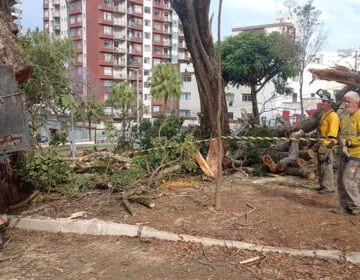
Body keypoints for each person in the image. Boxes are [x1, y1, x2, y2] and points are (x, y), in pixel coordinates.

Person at [332, 91, 360, 215]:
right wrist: (337, 141)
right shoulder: (345, 119)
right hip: (344, 155)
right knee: (340, 182)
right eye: (345, 101)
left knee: (348, 180)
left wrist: (348, 143)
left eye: (348, 101)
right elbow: (342, 136)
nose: (346, 104)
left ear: (356, 102)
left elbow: (351, 139)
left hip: (356, 155)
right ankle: (344, 206)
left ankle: (356, 206)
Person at [315, 90, 339, 194]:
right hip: (322, 143)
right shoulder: (325, 114)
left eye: (324, 101)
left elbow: (332, 134)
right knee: (321, 165)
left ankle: (329, 188)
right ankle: (323, 185)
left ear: (330, 103)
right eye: (322, 100)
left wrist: (325, 145)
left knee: (326, 165)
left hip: (327, 144)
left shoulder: (333, 116)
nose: (322, 102)